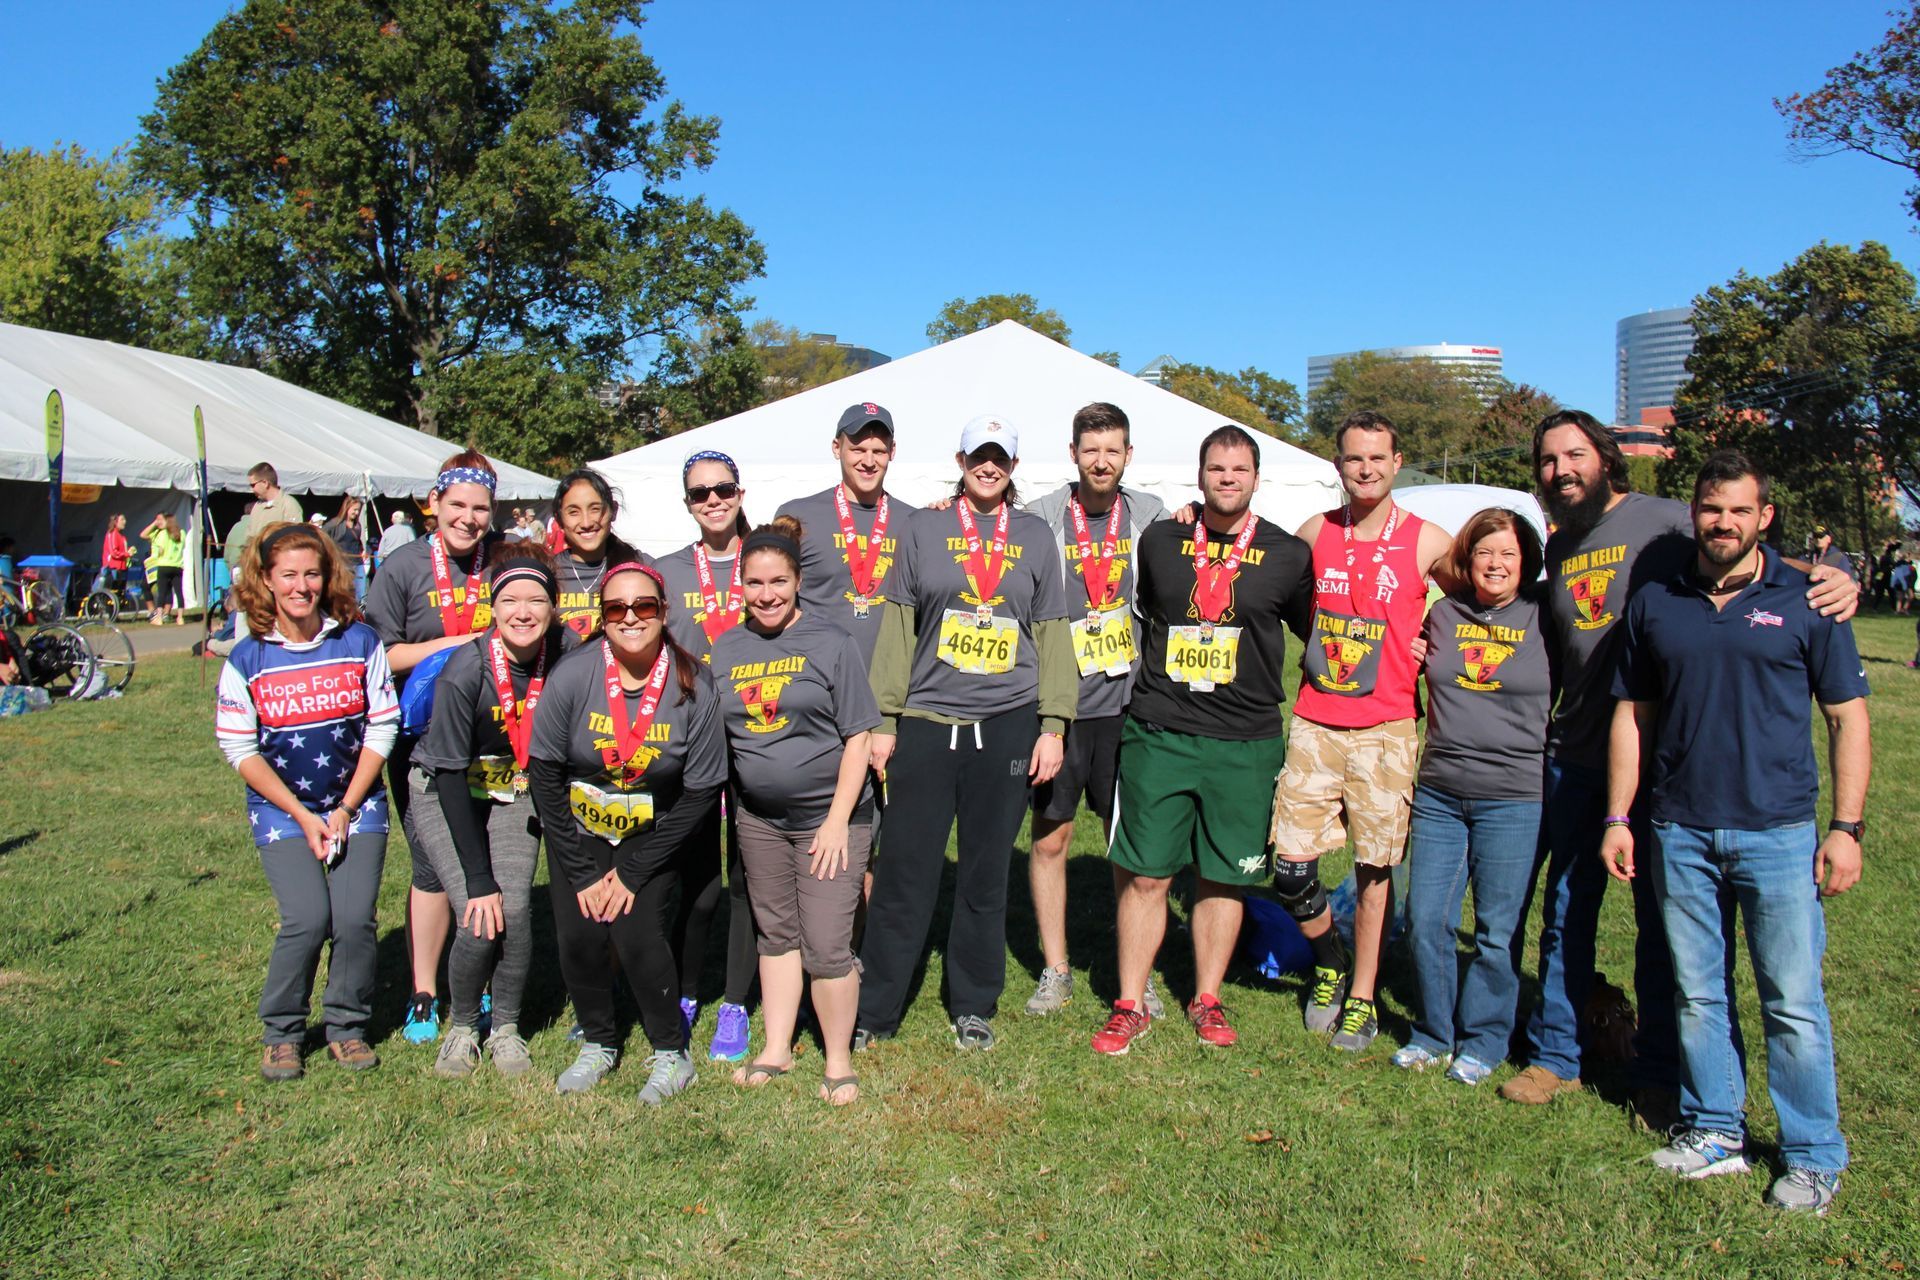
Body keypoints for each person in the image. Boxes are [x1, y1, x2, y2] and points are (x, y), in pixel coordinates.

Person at [1502, 409, 1856, 1128]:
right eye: (1547, 460)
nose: (1561, 470)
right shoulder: (1559, 544)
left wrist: (1839, 571)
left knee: (1666, 929)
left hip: (1661, 760)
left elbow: (1752, 548)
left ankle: (1662, 1070)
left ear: (1604, 458)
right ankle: (1559, 1055)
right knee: (1567, 913)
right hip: (1576, 756)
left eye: (1574, 455)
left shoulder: (1666, 519)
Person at [1605, 450, 1869, 1215]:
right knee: (1696, 994)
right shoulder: (1657, 598)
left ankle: (1814, 1155)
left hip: (1780, 832)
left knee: (1792, 1000)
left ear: (1765, 518)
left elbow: (1848, 719)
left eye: (1738, 510)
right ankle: (1715, 1128)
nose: (1723, 522)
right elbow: (1634, 714)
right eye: (1711, 508)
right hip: (1677, 829)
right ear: (1695, 512)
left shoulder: (1810, 600)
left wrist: (1845, 828)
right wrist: (1620, 817)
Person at [857, 413, 1076, 1053]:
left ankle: (974, 1003)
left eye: (1000, 457)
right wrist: (883, 720)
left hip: (1007, 722)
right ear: (959, 460)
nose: (989, 466)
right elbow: (898, 628)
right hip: (927, 720)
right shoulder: (922, 527)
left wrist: (1054, 724)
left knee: (985, 873)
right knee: (905, 869)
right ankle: (875, 1010)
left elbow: (1053, 633)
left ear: (1011, 465)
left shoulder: (1035, 535)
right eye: (978, 455)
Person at [1094, 425, 1314, 1055]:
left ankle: (1207, 997)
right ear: (1199, 476)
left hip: (1244, 741)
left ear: (1255, 478)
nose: (1226, 479)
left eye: (1238, 470)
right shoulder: (1160, 539)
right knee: (1144, 875)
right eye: (1216, 469)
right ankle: (1130, 1002)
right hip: (1161, 732)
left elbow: (1316, 633)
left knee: (1224, 879)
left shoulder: (1287, 553)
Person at [1271, 411, 1454, 1054]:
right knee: (1290, 867)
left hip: (1388, 730)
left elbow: (1476, 604)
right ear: (1338, 465)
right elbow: (1268, 585)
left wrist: (1440, 643)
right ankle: (1329, 960)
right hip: (1317, 721)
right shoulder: (1313, 532)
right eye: (1354, 459)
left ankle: (1362, 996)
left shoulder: (1429, 540)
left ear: (1397, 462)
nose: (1366, 469)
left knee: (1375, 869)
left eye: (1378, 458)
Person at [528, 561, 727, 1104]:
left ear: (664, 613)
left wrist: (634, 870)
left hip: (655, 829)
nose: (631, 617)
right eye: (616, 608)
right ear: (602, 617)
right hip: (581, 825)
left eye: (644, 606)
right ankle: (598, 1040)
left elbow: (702, 792)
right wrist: (581, 869)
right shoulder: (574, 674)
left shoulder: (693, 684)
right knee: (579, 936)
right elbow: (544, 775)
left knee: (637, 934)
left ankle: (670, 1052)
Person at [214, 522, 400, 1080]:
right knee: (307, 918)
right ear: (266, 581)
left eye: (312, 574)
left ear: (328, 577)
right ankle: (282, 1031)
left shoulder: (359, 641)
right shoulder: (246, 659)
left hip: (357, 803)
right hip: (282, 811)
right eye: (288, 575)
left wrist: (343, 809)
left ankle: (347, 1026)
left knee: (352, 919)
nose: (301, 586)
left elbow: (382, 726)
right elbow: (238, 747)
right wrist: (303, 816)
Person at [710, 516, 879, 1104]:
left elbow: (859, 736)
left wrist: (836, 821)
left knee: (827, 943)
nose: (767, 595)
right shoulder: (727, 648)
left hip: (830, 818)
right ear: (741, 586)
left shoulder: (832, 642)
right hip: (757, 820)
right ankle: (777, 1047)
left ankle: (838, 1061)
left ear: (798, 580)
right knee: (776, 934)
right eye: (754, 584)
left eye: (778, 581)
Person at [1395, 509, 1551, 1085]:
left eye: (1508, 554)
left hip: (1514, 796)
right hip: (1439, 789)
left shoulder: (1544, 615)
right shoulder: (1444, 614)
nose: (1495, 564)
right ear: (1467, 557)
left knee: (1496, 929)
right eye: (1485, 552)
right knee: (1426, 918)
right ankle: (1435, 1032)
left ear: (1526, 561)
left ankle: (1485, 1038)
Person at [1021, 401, 1166, 1017]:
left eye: (1113, 450)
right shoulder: (1040, 518)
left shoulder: (1155, 516)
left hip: (1126, 706)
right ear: (1074, 453)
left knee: (1127, 845)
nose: (1101, 461)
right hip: (1058, 710)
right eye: (1090, 449)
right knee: (1051, 841)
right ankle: (1056, 969)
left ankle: (1139, 973)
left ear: (1128, 456)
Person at [409, 548, 575, 1079]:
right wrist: (478, 879)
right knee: (481, 916)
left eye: (536, 600)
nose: (523, 612)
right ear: (492, 606)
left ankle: (505, 1027)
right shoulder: (466, 670)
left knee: (518, 911)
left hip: (515, 789)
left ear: (554, 608)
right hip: (445, 789)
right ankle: (461, 1027)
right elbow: (451, 776)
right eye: (509, 600)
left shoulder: (569, 651)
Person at [363, 450, 499, 1045]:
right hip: (420, 739)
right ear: (434, 505)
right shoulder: (404, 567)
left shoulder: (505, 562)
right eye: (458, 506)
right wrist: (461, 640)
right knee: (431, 861)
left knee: (488, 857)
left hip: (496, 734)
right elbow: (381, 656)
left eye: (481, 509)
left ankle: (480, 979)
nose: (469, 519)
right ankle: (424, 989)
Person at [774, 401, 918, 904]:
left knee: (875, 836)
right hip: (815, 700)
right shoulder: (799, 516)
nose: (868, 459)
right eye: (858, 447)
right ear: (837, 448)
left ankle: (862, 948)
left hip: (884, 702)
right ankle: (817, 935)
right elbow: (774, 600)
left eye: (879, 449)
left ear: (892, 454)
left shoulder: (915, 521)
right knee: (814, 826)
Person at [653, 450, 759, 1062]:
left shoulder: (766, 558)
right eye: (700, 493)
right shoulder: (666, 569)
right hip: (687, 742)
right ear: (687, 503)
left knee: (747, 878)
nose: (713, 500)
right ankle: (686, 990)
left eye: (723, 489)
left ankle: (738, 1002)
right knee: (695, 879)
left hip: (755, 737)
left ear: (740, 493)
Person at [551, 467, 648, 638]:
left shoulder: (641, 567)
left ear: (613, 511)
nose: (586, 522)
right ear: (559, 518)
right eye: (573, 512)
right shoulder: (548, 573)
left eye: (595, 509)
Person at [142, 512, 188, 626]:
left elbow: (159, 549)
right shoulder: (182, 533)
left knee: (161, 592)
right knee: (179, 592)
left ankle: (159, 618)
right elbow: (183, 546)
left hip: (164, 565)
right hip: (177, 566)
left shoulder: (163, 534)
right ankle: (180, 618)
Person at [245, 463, 303, 551]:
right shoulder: (257, 506)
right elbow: (249, 539)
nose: (252, 489)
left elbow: (294, 540)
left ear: (265, 483)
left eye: (253, 485)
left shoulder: (289, 504)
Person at [323, 497, 369, 602]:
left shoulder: (357, 526)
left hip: (357, 564)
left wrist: (363, 551)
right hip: (342, 564)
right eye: (354, 509)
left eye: (358, 510)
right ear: (347, 508)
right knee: (343, 593)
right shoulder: (335, 524)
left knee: (359, 594)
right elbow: (322, 536)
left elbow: (357, 542)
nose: (356, 513)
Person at [100, 514, 131, 597]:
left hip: (121, 567)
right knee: (111, 590)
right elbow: (113, 552)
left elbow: (122, 550)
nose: (125, 521)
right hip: (111, 567)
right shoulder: (112, 533)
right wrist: (127, 554)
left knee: (119, 590)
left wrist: (129, 552)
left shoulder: (121, 536)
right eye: (122, 520)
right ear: (115, 522)